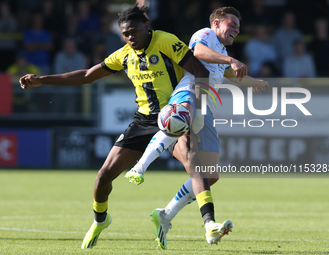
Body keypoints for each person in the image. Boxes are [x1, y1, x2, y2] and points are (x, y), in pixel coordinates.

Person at [19, 4, 226, 250]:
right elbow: (87, 75)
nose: (130, 38)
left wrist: (197, 110)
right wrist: (42, 80)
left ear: (146, 28)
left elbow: (199, 70)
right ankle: (100, 220)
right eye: (125, 34)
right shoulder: (124, 54)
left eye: (134, 32)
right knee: (103, 176)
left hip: (174, 116)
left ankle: (209, 224)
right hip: (143, 121)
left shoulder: (165, 41)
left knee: (196, 165)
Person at [125, 6, 269, 249]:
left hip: (208, 107)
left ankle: (165, 215)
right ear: (216, 24)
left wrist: (255, 82)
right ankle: (139, 167)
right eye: (231, 23)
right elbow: (198, 52)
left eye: (238, 26)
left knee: (211, 174)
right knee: (176, 123)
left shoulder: (221, 51)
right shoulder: (205, 35)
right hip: (190, 90)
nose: (237, 28)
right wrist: (230, 59)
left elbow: (228, 74)